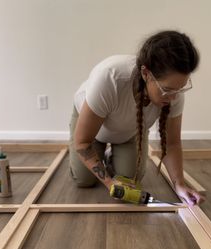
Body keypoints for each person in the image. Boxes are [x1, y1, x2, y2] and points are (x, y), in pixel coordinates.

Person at [69, 30, 204, 206]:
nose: (174, 97)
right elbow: (83, 142)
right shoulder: (110, 78)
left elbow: (172, 143)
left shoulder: (174, 92)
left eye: (180, 89)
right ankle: (99, 150)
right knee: (84, 180)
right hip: (91, 134)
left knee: (131, 177)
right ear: (146, 73)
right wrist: (110, 183)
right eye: (168, 90)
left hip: (127, 134)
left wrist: (179, 184)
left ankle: (111, 155)